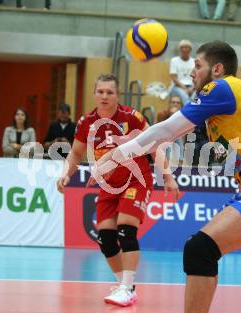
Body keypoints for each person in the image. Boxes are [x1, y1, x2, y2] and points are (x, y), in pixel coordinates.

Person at [94, 41, 241, 313]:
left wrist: (117, 155)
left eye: (198, 66)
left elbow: (165, 131)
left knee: (199, 250)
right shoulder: (234, 95)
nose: (192, 73)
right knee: (202, 253)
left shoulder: (222, 87)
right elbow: (171, 135)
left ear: (217, 69)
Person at [56, 74, 179, 307]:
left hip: (136, 180)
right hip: (109, 186)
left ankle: (127, 287)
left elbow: (155, 146)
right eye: (100, 91)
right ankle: (125, 285)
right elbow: (75, 153)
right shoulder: (86, 122)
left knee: (126, 230)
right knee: (106, 239)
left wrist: (168, 177)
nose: (104, 96)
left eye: (109, 92)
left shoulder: (131, 117)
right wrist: (65, 174)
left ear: (117, 95)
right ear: (94, 94)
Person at [156, 95, 185, 162]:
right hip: (164, 138)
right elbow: (160, 130)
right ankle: (167, 163)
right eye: (173, 102)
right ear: (169, 104)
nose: (175, 104)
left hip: (178, 138)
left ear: (181, 105)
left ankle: (180, 162)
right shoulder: (162, 114)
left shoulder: (184, 116)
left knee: (178, 138)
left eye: (178, 103)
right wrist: (172, 115)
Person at [169, 40, 195, 106]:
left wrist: (192, 88)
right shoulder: (174, 60)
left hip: (192, 86)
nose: (184, 49)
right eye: (182, 47)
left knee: (195, 96)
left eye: (186, 47)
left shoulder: (194, 61)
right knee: (184, 96)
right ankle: (189, 114)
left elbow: (197, 78)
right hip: (177, 87)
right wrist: (185, 89)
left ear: (190, 49)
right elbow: (174, 78)